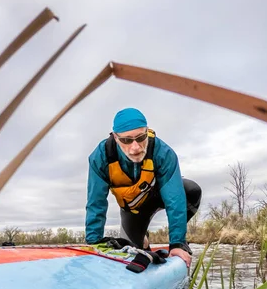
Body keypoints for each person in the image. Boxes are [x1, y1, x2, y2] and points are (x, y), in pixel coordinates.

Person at [85, 107, 202, 268]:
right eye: (126, 140)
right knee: (135, 247)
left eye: (141, 137)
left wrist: (177, 244)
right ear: (115, 137)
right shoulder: (100, 157)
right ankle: (143, 238)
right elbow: (95, 202)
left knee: (191, 190)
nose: (136, 148)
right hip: (133, 210)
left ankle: (178, 241)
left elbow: (175, 200)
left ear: (147, 131)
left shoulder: (164, 153)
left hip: (158, 197)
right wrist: (93, 242)